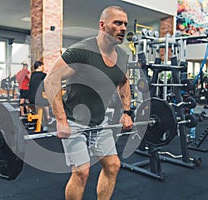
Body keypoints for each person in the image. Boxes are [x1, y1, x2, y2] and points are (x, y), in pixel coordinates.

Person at [44, 6, 133, 200]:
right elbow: (51, 79)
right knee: (82, 173)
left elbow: (124, 84)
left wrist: (127, 112)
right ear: (102, 25)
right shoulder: (82, 51)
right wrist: (61, 120)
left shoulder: (123, 56)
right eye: (117, 23)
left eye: (125, 23)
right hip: (74, 121)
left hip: (99, 121)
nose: (123, 28)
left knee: (113, 165)